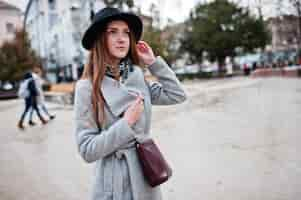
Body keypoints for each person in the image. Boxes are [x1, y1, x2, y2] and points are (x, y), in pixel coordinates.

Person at [74, 7, 187, 200]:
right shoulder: (86, 88)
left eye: (126, 32)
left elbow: (177, 95)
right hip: (113, 186)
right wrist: (125, 124)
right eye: (113, 32)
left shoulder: (136, 77)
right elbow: (87, 150)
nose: (122, 38)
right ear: (100, 39)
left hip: (145, 175)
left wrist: (154, 63)